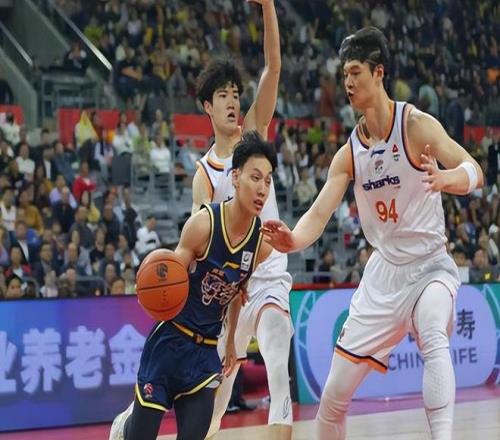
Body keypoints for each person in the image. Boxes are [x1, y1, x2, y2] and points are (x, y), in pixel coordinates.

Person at [261, 27, 484, 440]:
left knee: (433, 333)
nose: (347, 82)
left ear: (378, 72)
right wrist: (293, 240)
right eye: (344, 74)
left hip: (430, 267)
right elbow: (319, 212)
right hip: (383, 277)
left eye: (355, 72)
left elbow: (474, 169)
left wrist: (447, 178)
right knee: (331, 401)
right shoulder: (349, 153)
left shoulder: (415, 126)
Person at [109, 137, 277, 440]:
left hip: (204, 352)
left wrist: (230, 342)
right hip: (170, 340)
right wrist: (150, 288)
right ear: (235, 177)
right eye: (255, 178)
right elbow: (169, 278)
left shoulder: (261, 245)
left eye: (268, 180)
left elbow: (236, 292)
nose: (263, 189)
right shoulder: (203, 225)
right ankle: (125, 426)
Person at [192, 2, 293, 439]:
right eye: (223, 96)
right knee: (215, 402)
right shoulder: (204, 173)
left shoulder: (254, 134)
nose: (233, 102)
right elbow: (201, 241)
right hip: (231, 288)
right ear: (207, 107)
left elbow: (273, 66)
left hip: (268, 275)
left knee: (277, 359)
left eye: (236, 93)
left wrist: (267, 6)